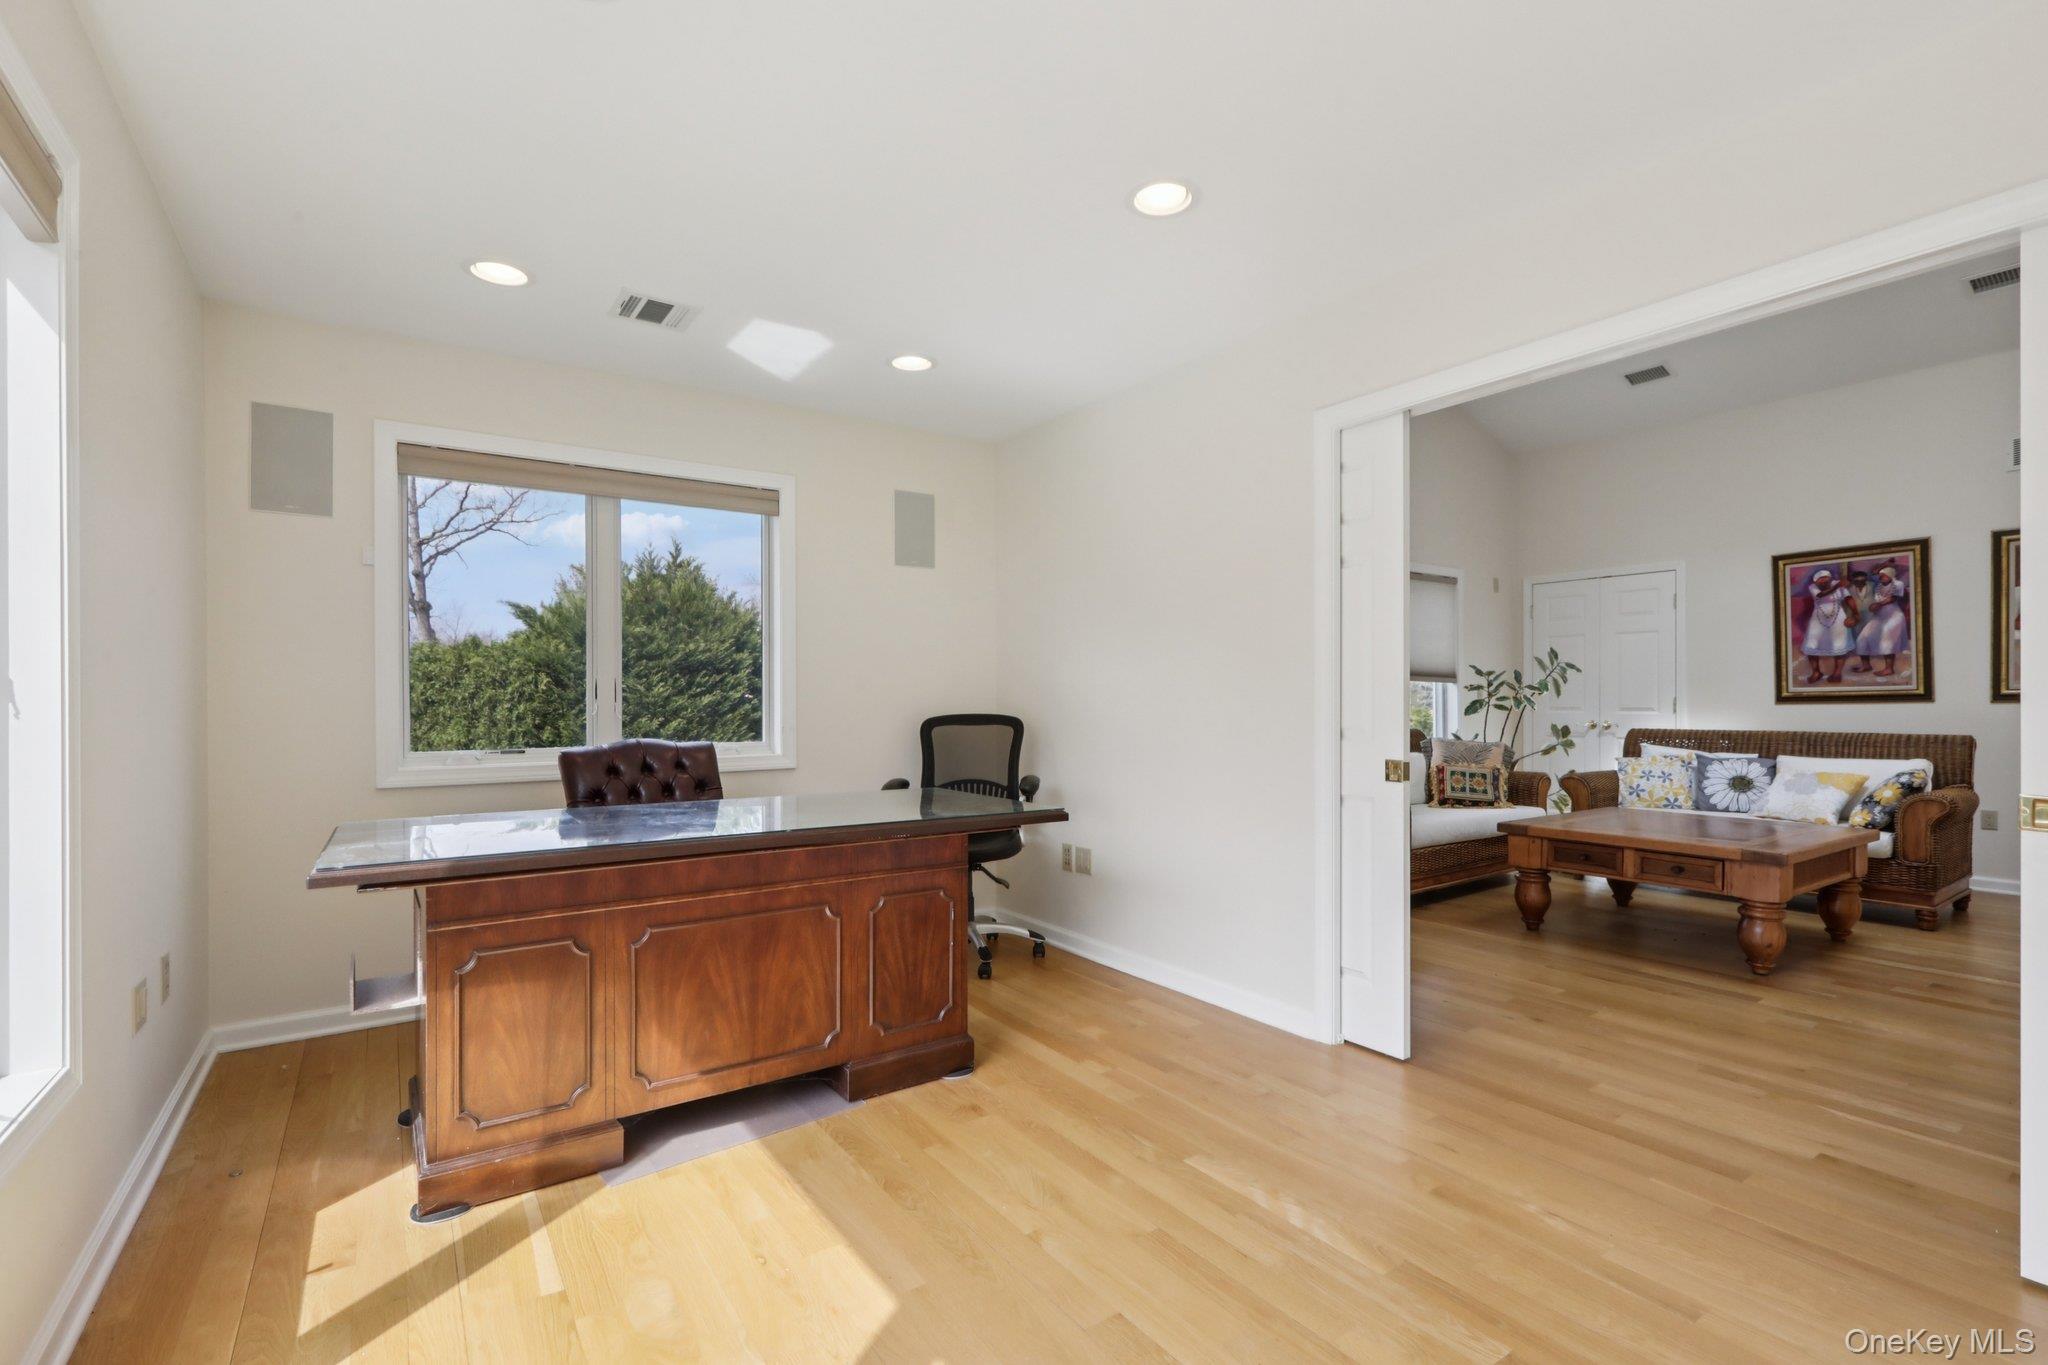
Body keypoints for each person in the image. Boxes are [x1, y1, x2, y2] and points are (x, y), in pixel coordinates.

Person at [1800, 566, 1858, 685]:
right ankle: (1816, 672)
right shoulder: (1813, 587)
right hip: (1818, 620)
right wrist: (1838, 585)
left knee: (1839, 646)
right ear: (1815, 581)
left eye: (1826, 578)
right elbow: (1821, 595)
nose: (1824, 580)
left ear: (1830, 578)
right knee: (1812, 645)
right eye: (1820, 579)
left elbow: (1848, 599)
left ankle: (1837, 673)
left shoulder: (1838, 584)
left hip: (1838, 619)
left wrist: (1855, 614)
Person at [1855, 562, 1910, 678]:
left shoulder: (1898, 584)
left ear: (1890, 575)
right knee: (1863, 637)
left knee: (1887, 639)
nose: (1881, 578)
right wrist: (1874, 606)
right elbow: (1873, 575)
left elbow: (1892, 598)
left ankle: (1889, 669)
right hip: (1879, 616)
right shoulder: (1879, 586)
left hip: (1893, 617)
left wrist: (1878, 604)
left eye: (1884, 575)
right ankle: (1866, 665)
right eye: (1880, 576)